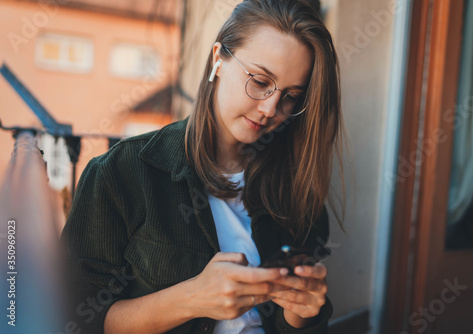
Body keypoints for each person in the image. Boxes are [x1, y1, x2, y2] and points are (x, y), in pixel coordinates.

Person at [61, 0, 344, 333]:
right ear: (218, 60)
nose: (270, 108)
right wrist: (191, 298)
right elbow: (74, 320)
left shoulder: (296, 188)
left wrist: (303, 311)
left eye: (291, 96)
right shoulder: (121, 174)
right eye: (260, 80)